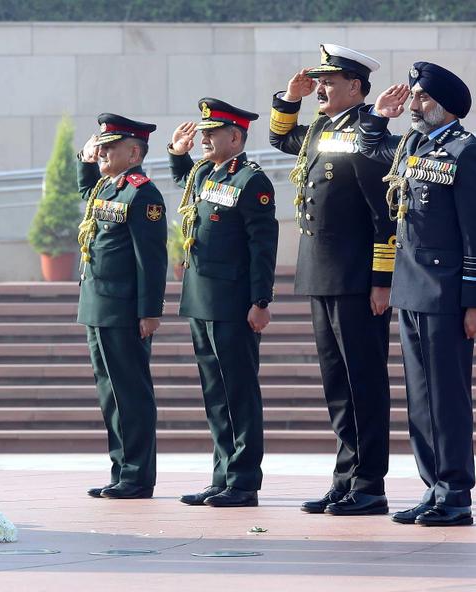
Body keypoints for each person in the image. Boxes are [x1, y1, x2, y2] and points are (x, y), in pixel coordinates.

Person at [357, 62, 476, 527]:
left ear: (444, 107)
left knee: (447, 398)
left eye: (419, 99)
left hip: (447, 292)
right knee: (420, 398)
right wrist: (380, 115)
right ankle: (432, 487)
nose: (413, 105)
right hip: (410, 287)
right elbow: (369, 147)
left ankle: (455, 493)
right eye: (413, 98)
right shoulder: (414, 143)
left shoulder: (466, 153)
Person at [268, 44, 396, 516]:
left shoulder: (369, 132)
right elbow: (283, 139)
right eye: (319, 80)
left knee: (364, 382)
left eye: (329, 81)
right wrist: (289, 99)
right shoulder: (323, 127)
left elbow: (385, 215)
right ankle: (344, 479)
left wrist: (382, 279)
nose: (320, 87)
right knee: (337, 384)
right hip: (320, 272)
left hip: (358, 276)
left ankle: (369, 485)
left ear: (357, 88)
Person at [167, 99, 277, 508]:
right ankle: (222, 475)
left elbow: (263, 246)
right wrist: (177, 156)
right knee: (215, 393)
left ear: (235, 137)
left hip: (234, 301)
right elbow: (188, 187)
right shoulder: (204, 174)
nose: (205, 140)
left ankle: (244, 480)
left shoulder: (251, 181)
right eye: (204, 134)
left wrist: (260, 300)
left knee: (239, 393)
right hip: (201, 297)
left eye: (212, 135)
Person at [76, 113, 167, 500]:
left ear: (133, 152)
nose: (102, 152)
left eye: (109, 147)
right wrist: (84, 158)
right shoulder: (106, 188)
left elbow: (151, 258)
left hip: (124, 308)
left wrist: (149, 311)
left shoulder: (141, 192)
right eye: (100, 145)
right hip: (97, 306)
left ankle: (137, 475)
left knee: (130, 393)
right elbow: (85, 189)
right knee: (109, 394)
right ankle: (121, 469)